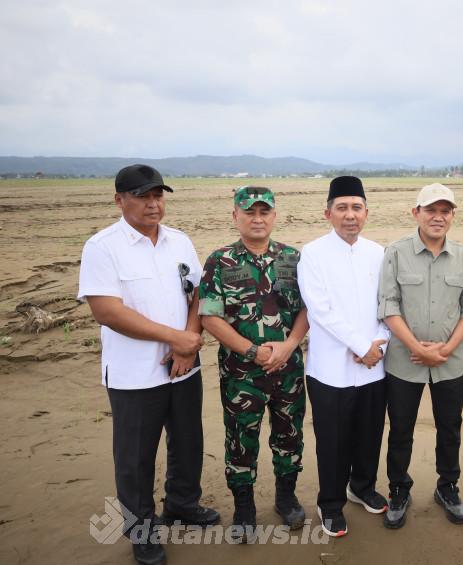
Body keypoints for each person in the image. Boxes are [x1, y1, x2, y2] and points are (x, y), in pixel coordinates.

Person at [78, 164, 219, 565]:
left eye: (158, 195)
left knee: (189, 442)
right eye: (142, 196)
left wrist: (188, 345)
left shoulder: (179, 242)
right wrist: (175, 338)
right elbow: (108, 312)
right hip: (134, 375)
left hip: (183, 366)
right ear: (119, 199)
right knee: (136, 457)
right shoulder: (102, 247)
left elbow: (197, 294)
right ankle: (142, 531)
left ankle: (182, 505)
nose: (153, 204)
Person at [198, 186, 309, 541]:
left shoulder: (294, 259)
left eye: (264, 212)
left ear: (275, 216)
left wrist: (290, 345)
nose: (257, 219)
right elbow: (210, 317)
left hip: (287, 370)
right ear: (236, 217)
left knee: (289, 437)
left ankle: (285, 496)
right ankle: (244, 507)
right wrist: (252, 351)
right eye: (249, 212)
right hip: (241, 374)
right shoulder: (220, 260)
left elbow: (309, 308)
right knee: (240, 441)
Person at [378, 183, 463, 529]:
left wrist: (447, 349)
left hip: (451, 363)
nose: (438, 217)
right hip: (405, 362)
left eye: (445, 210)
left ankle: (447, 487)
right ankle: (398, 490)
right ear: (416, 213)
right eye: (430, 210)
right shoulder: (395, 252)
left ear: (453, 215)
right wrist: (417, 348)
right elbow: (388, 305)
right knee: (401, 430)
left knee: (449, 428)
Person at [297, 176, 390, 537]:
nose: (350, 215)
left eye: (356, 208)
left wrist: (378, 343)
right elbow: (320, 310)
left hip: (374, 366)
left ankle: (362, 487)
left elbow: (389, 305)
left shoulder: (379, 253)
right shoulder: (313, 254)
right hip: (330, 370)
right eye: (342, 208)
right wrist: (360, 346)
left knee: (369, 434)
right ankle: (330, 503)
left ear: (366, 212)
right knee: (333, 441)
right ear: (328, 213)